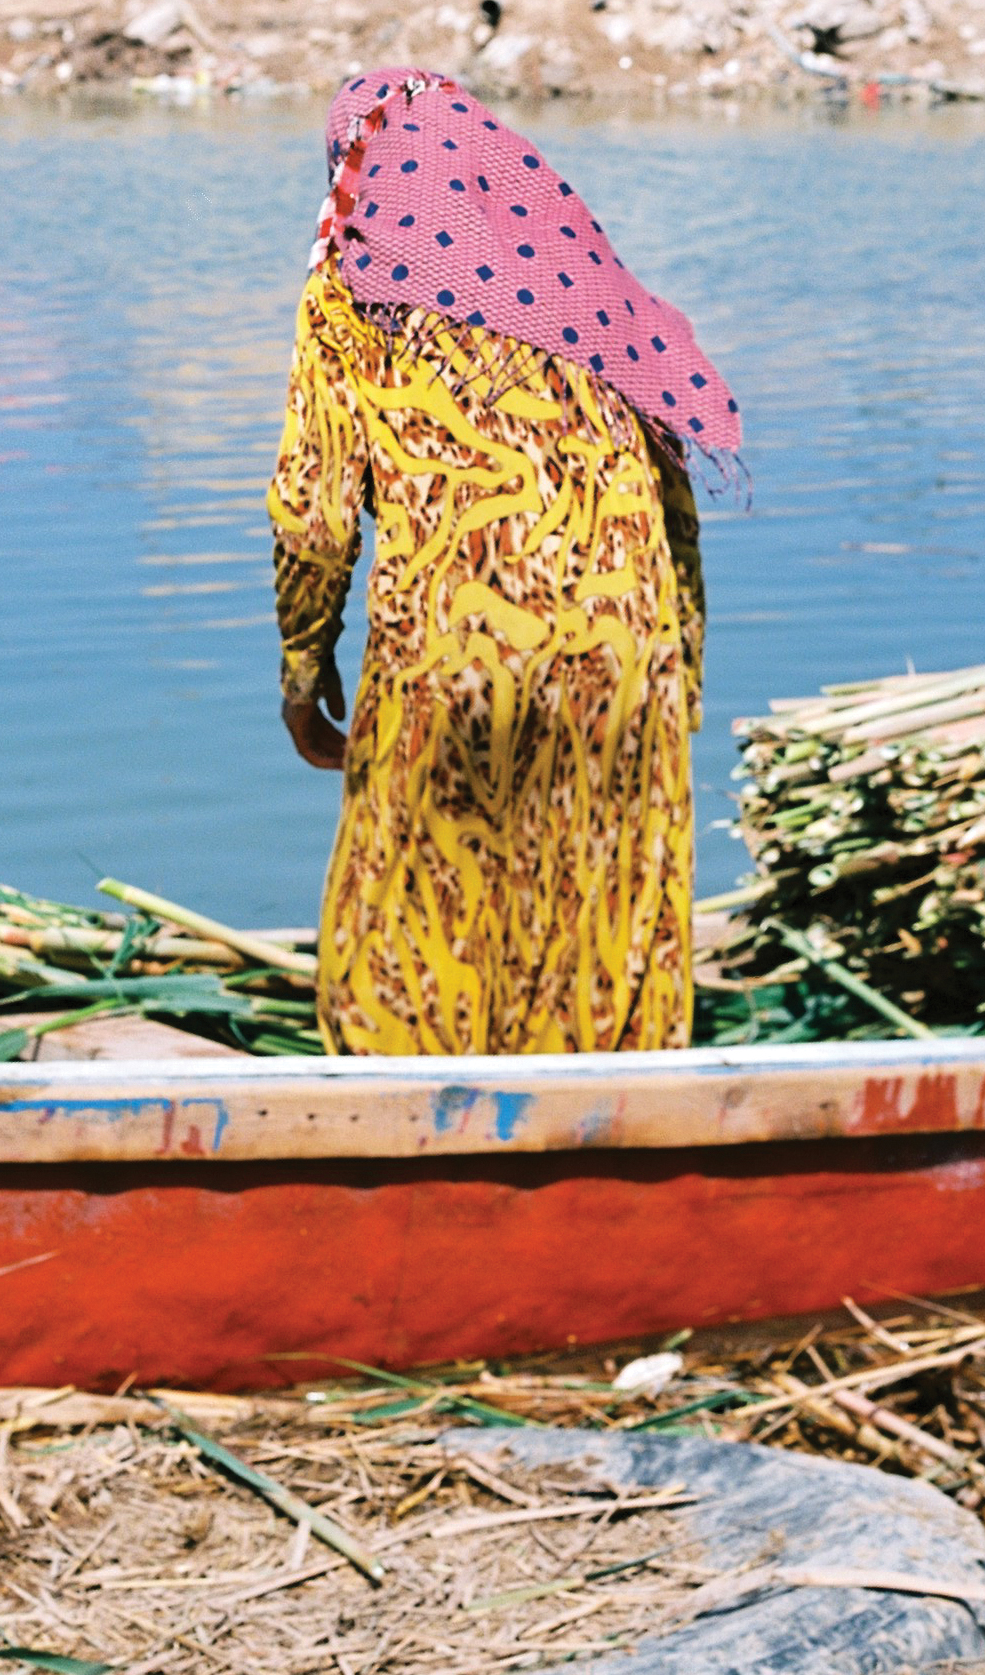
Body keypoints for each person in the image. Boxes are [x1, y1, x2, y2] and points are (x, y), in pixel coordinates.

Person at [267, 67, 742, 1058]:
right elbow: (673, 496)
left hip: (457, 643)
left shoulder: (353, 295)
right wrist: (681, 675)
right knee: (602, 912)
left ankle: (415, 1132)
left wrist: (306, 673)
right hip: (624, 648)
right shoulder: (582, 283)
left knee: (415, 919)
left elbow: (313, 515)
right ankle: (610, 1130)